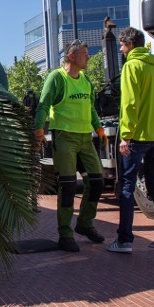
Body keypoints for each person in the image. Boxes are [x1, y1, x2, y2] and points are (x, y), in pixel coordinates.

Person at [107, 27, 154, 254]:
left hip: (137, 135)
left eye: (121, 44)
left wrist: (125, 136)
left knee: (127, 186)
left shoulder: (131, 66)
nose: (120, 49)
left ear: (129, 44)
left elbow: (129, 104)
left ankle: (124, 240)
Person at [34, 40, 108, 252]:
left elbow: (90, 108)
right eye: (84, 53)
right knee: (67, 187)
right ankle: (65, 234)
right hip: (64, 137)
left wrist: (99, 129)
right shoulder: (57, 78)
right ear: (71, 57)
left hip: (85, 139)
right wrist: (39, 131)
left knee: (97, 182)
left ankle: (84, 223)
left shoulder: (85, 80)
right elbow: (43, 106)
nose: (88, 56)